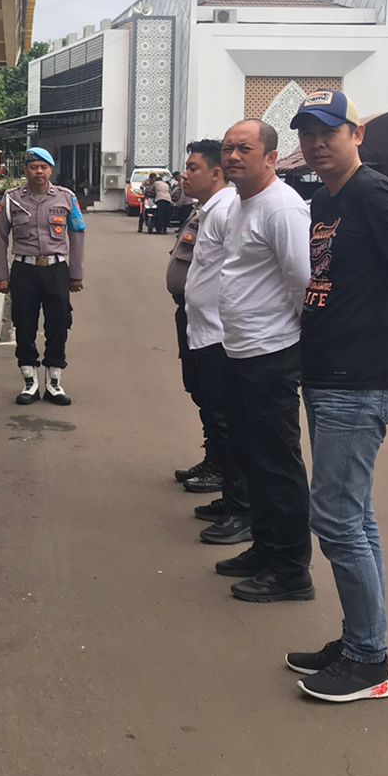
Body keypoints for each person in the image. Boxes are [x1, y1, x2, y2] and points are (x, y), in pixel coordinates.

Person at [286, 91, 388, 702]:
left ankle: (369, 662)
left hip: (353, 386)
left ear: (356, 135)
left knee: (335, 519)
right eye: (307, 133)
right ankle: (362, 637)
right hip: (333, 372)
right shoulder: (327, 199)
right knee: (354, 517)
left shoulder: (371, 192)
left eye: (328, 131)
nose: (316, 143)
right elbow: (355, 284)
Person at [213, 119, 314, 603]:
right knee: (251, 457)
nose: (232, 156)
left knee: (277, 463)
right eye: (227, 148)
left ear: (271, 157)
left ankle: (291, 570)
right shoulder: (241, 202)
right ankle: (265, 548)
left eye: (244, 149)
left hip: (272, 353)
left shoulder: (282, 207)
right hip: (239, 349)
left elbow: (303, 283)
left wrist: (301, 346)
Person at [168, 141, 245, 541]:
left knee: (225, 413)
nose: (185, 174)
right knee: (207, 401)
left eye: (193, 167)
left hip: (218, 331)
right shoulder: (205, 209)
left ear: (216, 174)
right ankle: (219, 473)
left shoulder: (227, 210)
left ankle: (237, 498)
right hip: (198, 323)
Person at [0, 146, 86, 405]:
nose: (39, 172)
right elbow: (0, 238)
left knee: (59, 324)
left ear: (50, 170)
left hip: (56, 270)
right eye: (33, 167)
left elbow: (77, 233)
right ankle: (30, 382)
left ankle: (54, 382)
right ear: (26, 170)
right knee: (24, 325)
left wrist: (76, 274)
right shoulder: (12, 199)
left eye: (43, 167)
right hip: (24, 271)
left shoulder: (66, 197)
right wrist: (1, 274)